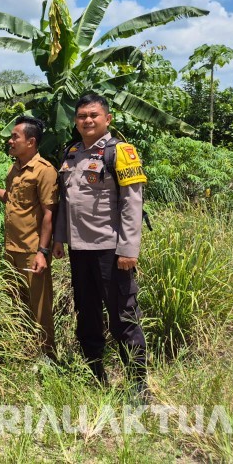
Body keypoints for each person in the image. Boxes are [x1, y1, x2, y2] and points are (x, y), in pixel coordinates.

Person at [52, 94, 149, 399]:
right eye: (81, 116)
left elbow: (133, 204)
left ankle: (138, 386)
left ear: (107, 119)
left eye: (94, 115)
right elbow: (67, 203)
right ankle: (97, 376)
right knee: (87, 315)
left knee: (123, 317)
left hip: (111, 250)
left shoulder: (120, 152)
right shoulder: (71, 154)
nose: (87, 120)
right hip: (79, 251)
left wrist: (129, 250)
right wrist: (58, 239)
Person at [0, 116, 58, 357]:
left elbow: (49, 215)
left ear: (31, 142)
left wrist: (43, 252)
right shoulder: (15, 168)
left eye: (15, 137)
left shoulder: (44, 171)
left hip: (32, 251)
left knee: (40, 307)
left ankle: (48, 357)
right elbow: (12, 199)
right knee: (18, 305)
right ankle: (26, 352)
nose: (10, 141)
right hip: (11, 248)